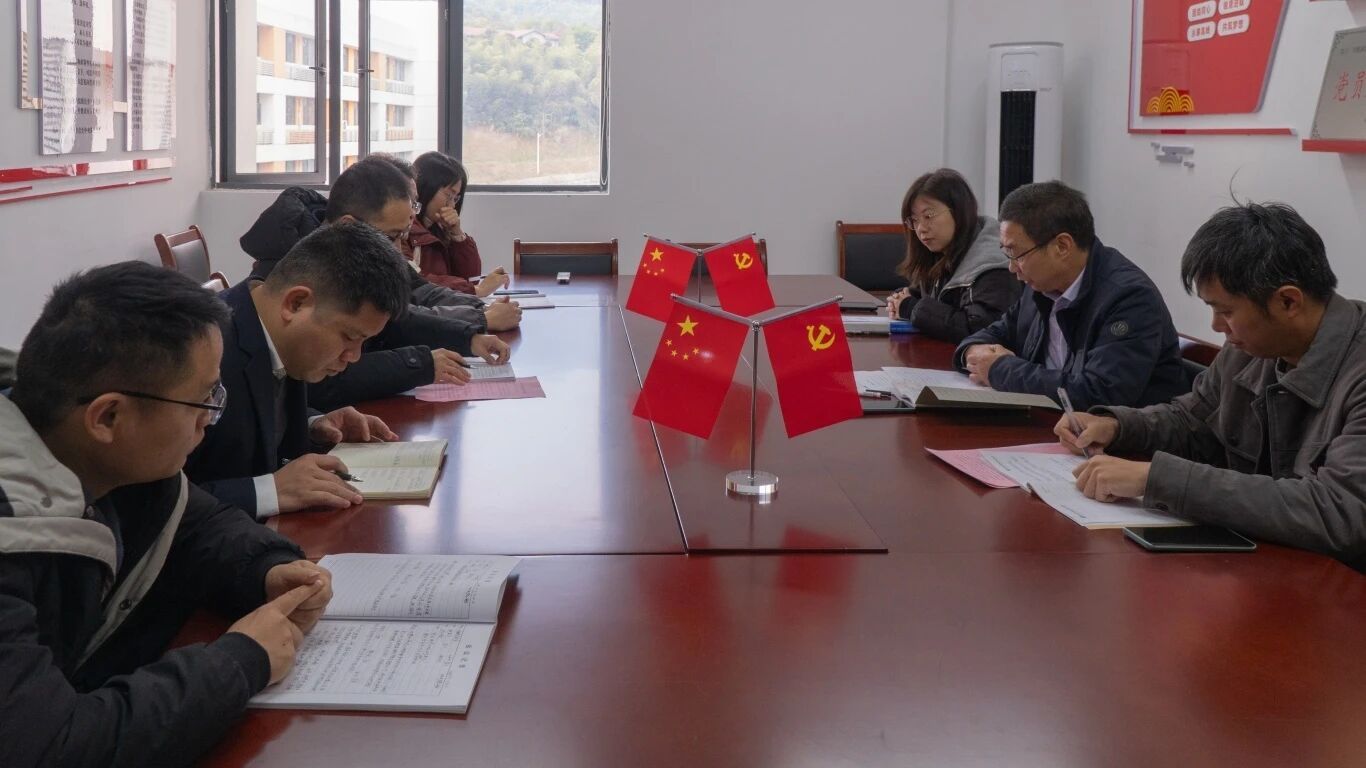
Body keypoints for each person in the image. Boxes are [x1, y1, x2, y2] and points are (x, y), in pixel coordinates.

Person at [0, 262, 333, 766]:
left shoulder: (109, 459)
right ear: (109, 416)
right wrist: (241, 660)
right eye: (203, 399)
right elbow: (52, 746)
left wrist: (267, 569)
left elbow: (198, 523)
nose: (210, 420)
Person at [1057, 202, 1366, 571]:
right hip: (1264, 565)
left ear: (1288, 301)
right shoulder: (1253, 347)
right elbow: (1194, 420)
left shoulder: (1356, 371)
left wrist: (1158, 478)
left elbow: (1339, 512)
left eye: (1226, 311)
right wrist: (1118, 426)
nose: (1217, 326)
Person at [183, 221, 411, 518]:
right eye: (349, 337)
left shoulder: (275, 332)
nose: (354, 356)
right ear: (296, 303)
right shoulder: (201, 355)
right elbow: (148, 501)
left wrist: (313, 424)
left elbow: (260, 409)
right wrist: (268, 490)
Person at [953, 180, 1188, 410]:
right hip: (1048, 420)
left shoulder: (1129, 299)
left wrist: (1000, 369)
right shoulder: (1040, 286)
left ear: (1062, 246)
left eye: (1018, 254)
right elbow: (995, 332)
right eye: (1007, 254)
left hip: (1111, 433)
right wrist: (973, 351)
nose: (1012, 268)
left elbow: (1099, 394)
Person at [885, 168, 1018, 342]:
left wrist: (912, 308)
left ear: (958, 211)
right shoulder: (943, 252)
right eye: (914, 220)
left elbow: (980, 329)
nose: (921, 228)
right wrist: (902, 298)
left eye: (928, 216)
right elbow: (930, 298)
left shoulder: (992, 264)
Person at [408, 151, 509, 297]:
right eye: (448, 195)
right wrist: (477, 290)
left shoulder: (438, 229)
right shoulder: (404, 229)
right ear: (425, 187)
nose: (452, 205)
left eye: (456, 198)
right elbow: (416, 281)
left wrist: (457, 235)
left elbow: (471, 279)